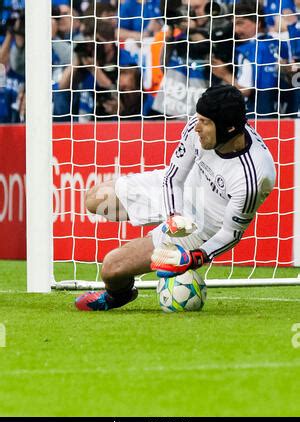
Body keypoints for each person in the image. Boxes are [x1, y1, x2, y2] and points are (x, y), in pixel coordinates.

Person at [75, 84, 276, 311]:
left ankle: (117, 296)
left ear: (229, 128)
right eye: (198, 119)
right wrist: (174, 216)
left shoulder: (255, 177)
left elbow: (231, 234)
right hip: (181, 190)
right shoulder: (196, 127)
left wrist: (195, 257)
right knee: (96, 199)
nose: (197, 127)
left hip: (203, 226)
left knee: (111, 269)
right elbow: (173, 179)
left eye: (205, 123)